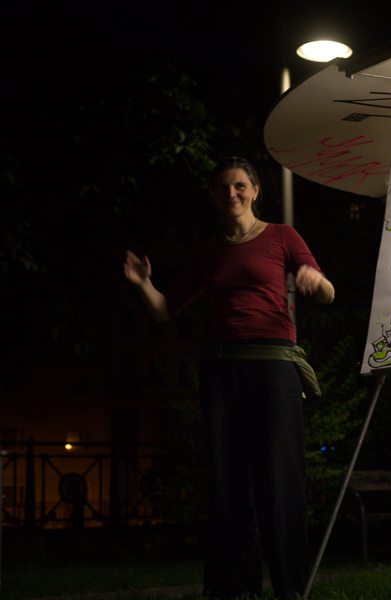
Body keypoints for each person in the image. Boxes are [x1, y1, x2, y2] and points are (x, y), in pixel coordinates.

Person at [124, 156, 334, 600]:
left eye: (240, 185)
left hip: (274, 366)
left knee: (279, 479)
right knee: (227, 482)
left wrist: (313, 279)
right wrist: (144, 283)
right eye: (223, 187)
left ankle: (291, 589)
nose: (232, 193)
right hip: (221, 371)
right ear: (215, 196)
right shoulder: (210, 251)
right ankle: (234, 589)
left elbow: (328, 293)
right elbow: (165, 310)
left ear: (255, 191)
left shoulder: (282, 236)